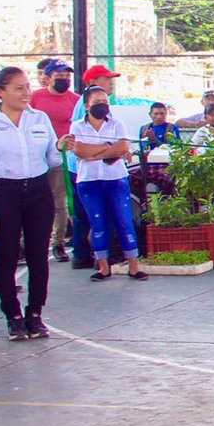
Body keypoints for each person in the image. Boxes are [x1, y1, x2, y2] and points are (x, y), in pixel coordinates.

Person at [0, 67, 61, 341]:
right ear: (0, 91)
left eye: (27, 87)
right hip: (4, 192)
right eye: (18, 88)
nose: (26, 93)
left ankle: (35, 314)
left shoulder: (39, 118)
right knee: (7, 256)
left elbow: (53, 159)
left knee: (38, 256)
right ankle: (13, 315)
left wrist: (63, 147)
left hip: (38, 191)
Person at [66, 88, 145, 282]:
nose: (102, 105)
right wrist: (109, 149)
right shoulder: (77, 126)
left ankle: (133, 268)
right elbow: (79, 150)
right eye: (97, 102)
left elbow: (123, 147)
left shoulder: (117, 124)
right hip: (88, 181)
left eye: (105, 102)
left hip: (116, 179)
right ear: (87, 106)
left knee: (124, 221)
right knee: (98, 223)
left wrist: (94, 154)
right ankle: (103, 268)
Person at [66, 64, 126, 271]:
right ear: (93, 82)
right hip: (86, 171)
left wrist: (105, 150)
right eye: (106, 78)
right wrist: (109, 149)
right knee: (96, 213)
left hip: (93, 166)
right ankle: (98, 255)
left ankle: (83, 255)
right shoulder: (86, 106)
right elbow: (83, 144)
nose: (111, 82)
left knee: (86, 214)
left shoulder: (99, 105)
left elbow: (120, 144)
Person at [30, 60, 79, 263]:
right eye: (59, 76)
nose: (64, 80)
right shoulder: (35, 97)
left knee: (60, 202)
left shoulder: (75, 100)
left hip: (61, 156)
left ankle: (57, 242)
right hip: (36, 155)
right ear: (48, 78)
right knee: (33, 201)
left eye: (67, 77)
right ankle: (26, 243)